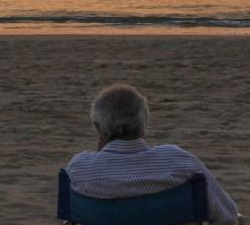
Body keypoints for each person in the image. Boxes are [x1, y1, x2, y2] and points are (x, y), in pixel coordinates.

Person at [66, 83, 240, 224]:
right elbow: (228, 216)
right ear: (144, 122)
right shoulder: (180, 163)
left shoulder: (79, 169)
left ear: (98, 128)